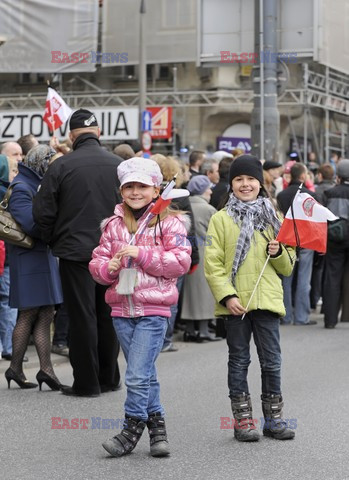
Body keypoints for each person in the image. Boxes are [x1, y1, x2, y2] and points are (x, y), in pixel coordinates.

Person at [89, 158, 191, 457]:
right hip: (122, 310)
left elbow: (181, 263)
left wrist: (143, 254)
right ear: (121, 191)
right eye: (129, 186)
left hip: (154, 310)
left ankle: (130, 430)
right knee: (145, 373)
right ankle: (158, 430)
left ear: (156, 189)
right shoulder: (112, 225)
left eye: (142, 186)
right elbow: (97, 265)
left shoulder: (170, 222)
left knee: (135, 375)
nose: (135, 192)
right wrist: (108, 267)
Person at [204, 155, 296, 442]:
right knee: (239, 361)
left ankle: (274, 420)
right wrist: (227, 295)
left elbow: (289, 265)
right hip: (235, 304)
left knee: (272, 362)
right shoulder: (219, 219)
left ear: (261, 182)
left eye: (250, 179)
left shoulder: (276, 219)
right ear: (231, 184)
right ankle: (243, 421)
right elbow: (212, 263)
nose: (245, 184)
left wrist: (279, 252)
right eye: (239, 179)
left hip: (267, 300)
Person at [32, 108, 122, 397]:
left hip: (75, 253)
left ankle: (87, 383)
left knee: (82, 316)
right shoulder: (119, 165)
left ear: (71, 136)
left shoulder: (61, 166)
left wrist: (52, 240)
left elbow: (42, 212)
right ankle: (109, 377)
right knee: (108, 313)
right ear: (99, 134)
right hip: (113, 253)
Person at [4, 145, 65, 391]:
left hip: (40, 257)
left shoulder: (34, 183)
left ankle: (35, 369)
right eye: (51, 164)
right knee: (29, 313)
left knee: (46, 312)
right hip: (29, 258)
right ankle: (22, 369)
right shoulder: (21, 187)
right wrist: (57, 222)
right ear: (41, 163)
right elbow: (31, 225)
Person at [277, 163, 317, 325]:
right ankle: (301, 317)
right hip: (306, 240)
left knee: (286, 278)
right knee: (303, 279)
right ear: (302, 176)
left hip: (287, 239)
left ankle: (286, 315)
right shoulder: (309, 194)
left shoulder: (281, 195)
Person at [181, 175, 220, 342]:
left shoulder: (184, 206)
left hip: (186, 251)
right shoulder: (209, 210)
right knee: (204, 294)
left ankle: (189, 330)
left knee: (189, 295)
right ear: (203, 190)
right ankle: (203, 330)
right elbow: (218, 235)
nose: (211, 191)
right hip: (206, 252)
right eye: (208, 188)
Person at [322, 159, 349, 328]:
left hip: (334, 238)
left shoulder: (329, 193)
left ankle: (330, 319)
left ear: (338, 175)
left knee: (332, 276)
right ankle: (347, 316)